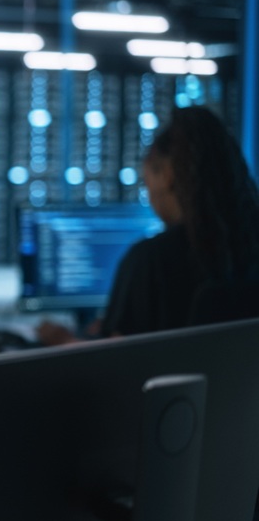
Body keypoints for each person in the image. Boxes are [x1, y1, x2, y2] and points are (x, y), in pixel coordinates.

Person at [37, 105, 259, 345]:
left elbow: (113, 367)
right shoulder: (248, 248)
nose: (149, 193)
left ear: (167, 176)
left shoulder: (150, 261)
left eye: (147, 181)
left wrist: (64, 341)